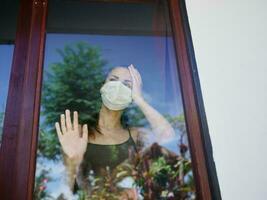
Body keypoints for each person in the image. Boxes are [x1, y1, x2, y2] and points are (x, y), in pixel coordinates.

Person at [55, 64, 176, 199]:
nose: (118, 87)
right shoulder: (80, 135)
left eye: (127, 85)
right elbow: (69, 191)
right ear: (103, 86)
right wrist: (73, 162)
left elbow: (168, 137)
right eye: (113, 80)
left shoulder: (136, 135)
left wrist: (140, 100)